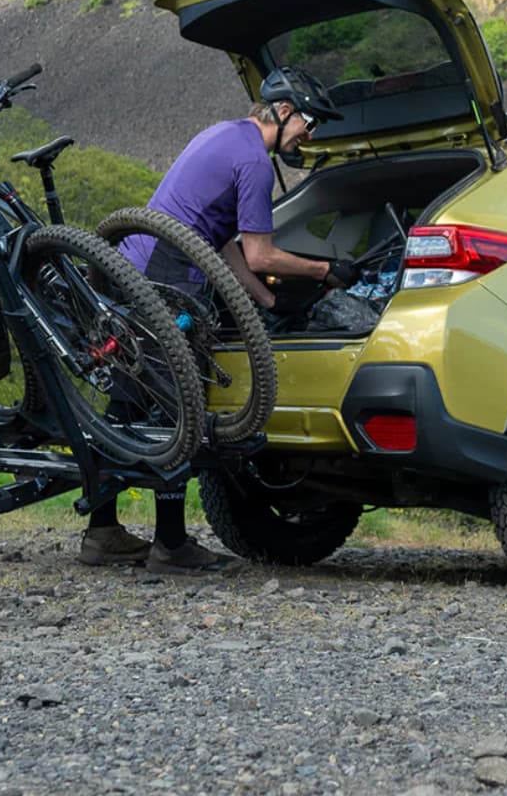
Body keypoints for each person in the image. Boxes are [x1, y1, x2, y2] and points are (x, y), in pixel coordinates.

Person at [79, 65, 358, 572]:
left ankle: (102, 534)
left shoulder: (223, 135)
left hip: (135, 272)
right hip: (167, 279)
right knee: (176, 409)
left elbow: (225, 247)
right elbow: (261, 255)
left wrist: (270, 305)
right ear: (285, 111)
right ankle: (171, 545)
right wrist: (324, 270)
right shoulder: (254, 161)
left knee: (124, 406)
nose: (310, 135)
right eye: (310, 123)